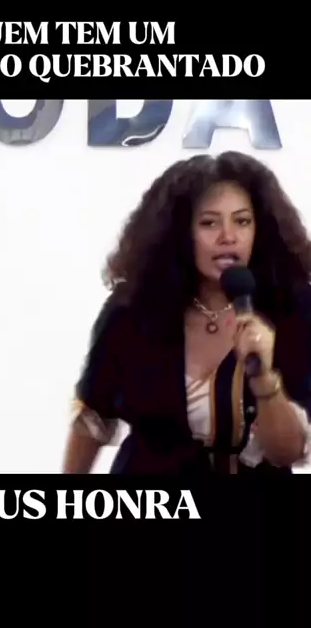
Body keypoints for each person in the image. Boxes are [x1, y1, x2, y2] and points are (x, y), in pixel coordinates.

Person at [62, 150, 311, 475]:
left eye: (242, 221)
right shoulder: (132, 308)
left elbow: (288, 452)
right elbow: (93, 417)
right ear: (180, 233)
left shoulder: (291, 308)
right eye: (209, 223)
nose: (228, 237)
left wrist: (262, 376)